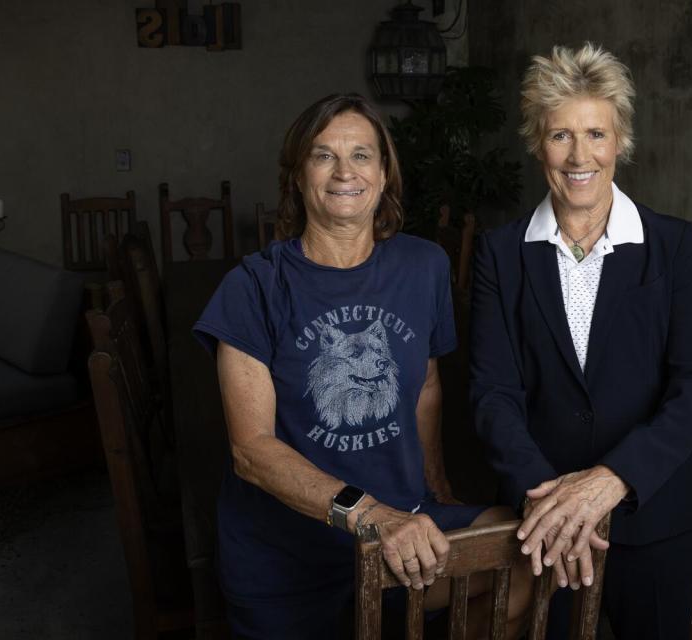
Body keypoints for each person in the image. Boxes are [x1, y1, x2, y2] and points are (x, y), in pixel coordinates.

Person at [194, 93, 528, 639]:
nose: (344, 171)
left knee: (522, 554)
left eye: (362, 155)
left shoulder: (423, 265)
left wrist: (435, 488)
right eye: (324, 156)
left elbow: (424, 386)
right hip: (286, 552)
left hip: (400, 526)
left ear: (384, 174)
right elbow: (251, 451)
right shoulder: (254, 286)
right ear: (297, 177)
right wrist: (370, 514)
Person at [469, 43, 692, 639]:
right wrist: (547, 503)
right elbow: (492, 392)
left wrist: (612, 480)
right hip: (544, 526)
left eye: (596, 134)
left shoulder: (673, 245)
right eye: (560, 135)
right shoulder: (500, 254)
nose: (579, 155)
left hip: (656, 513)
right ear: (537, 143)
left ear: (620, 142)